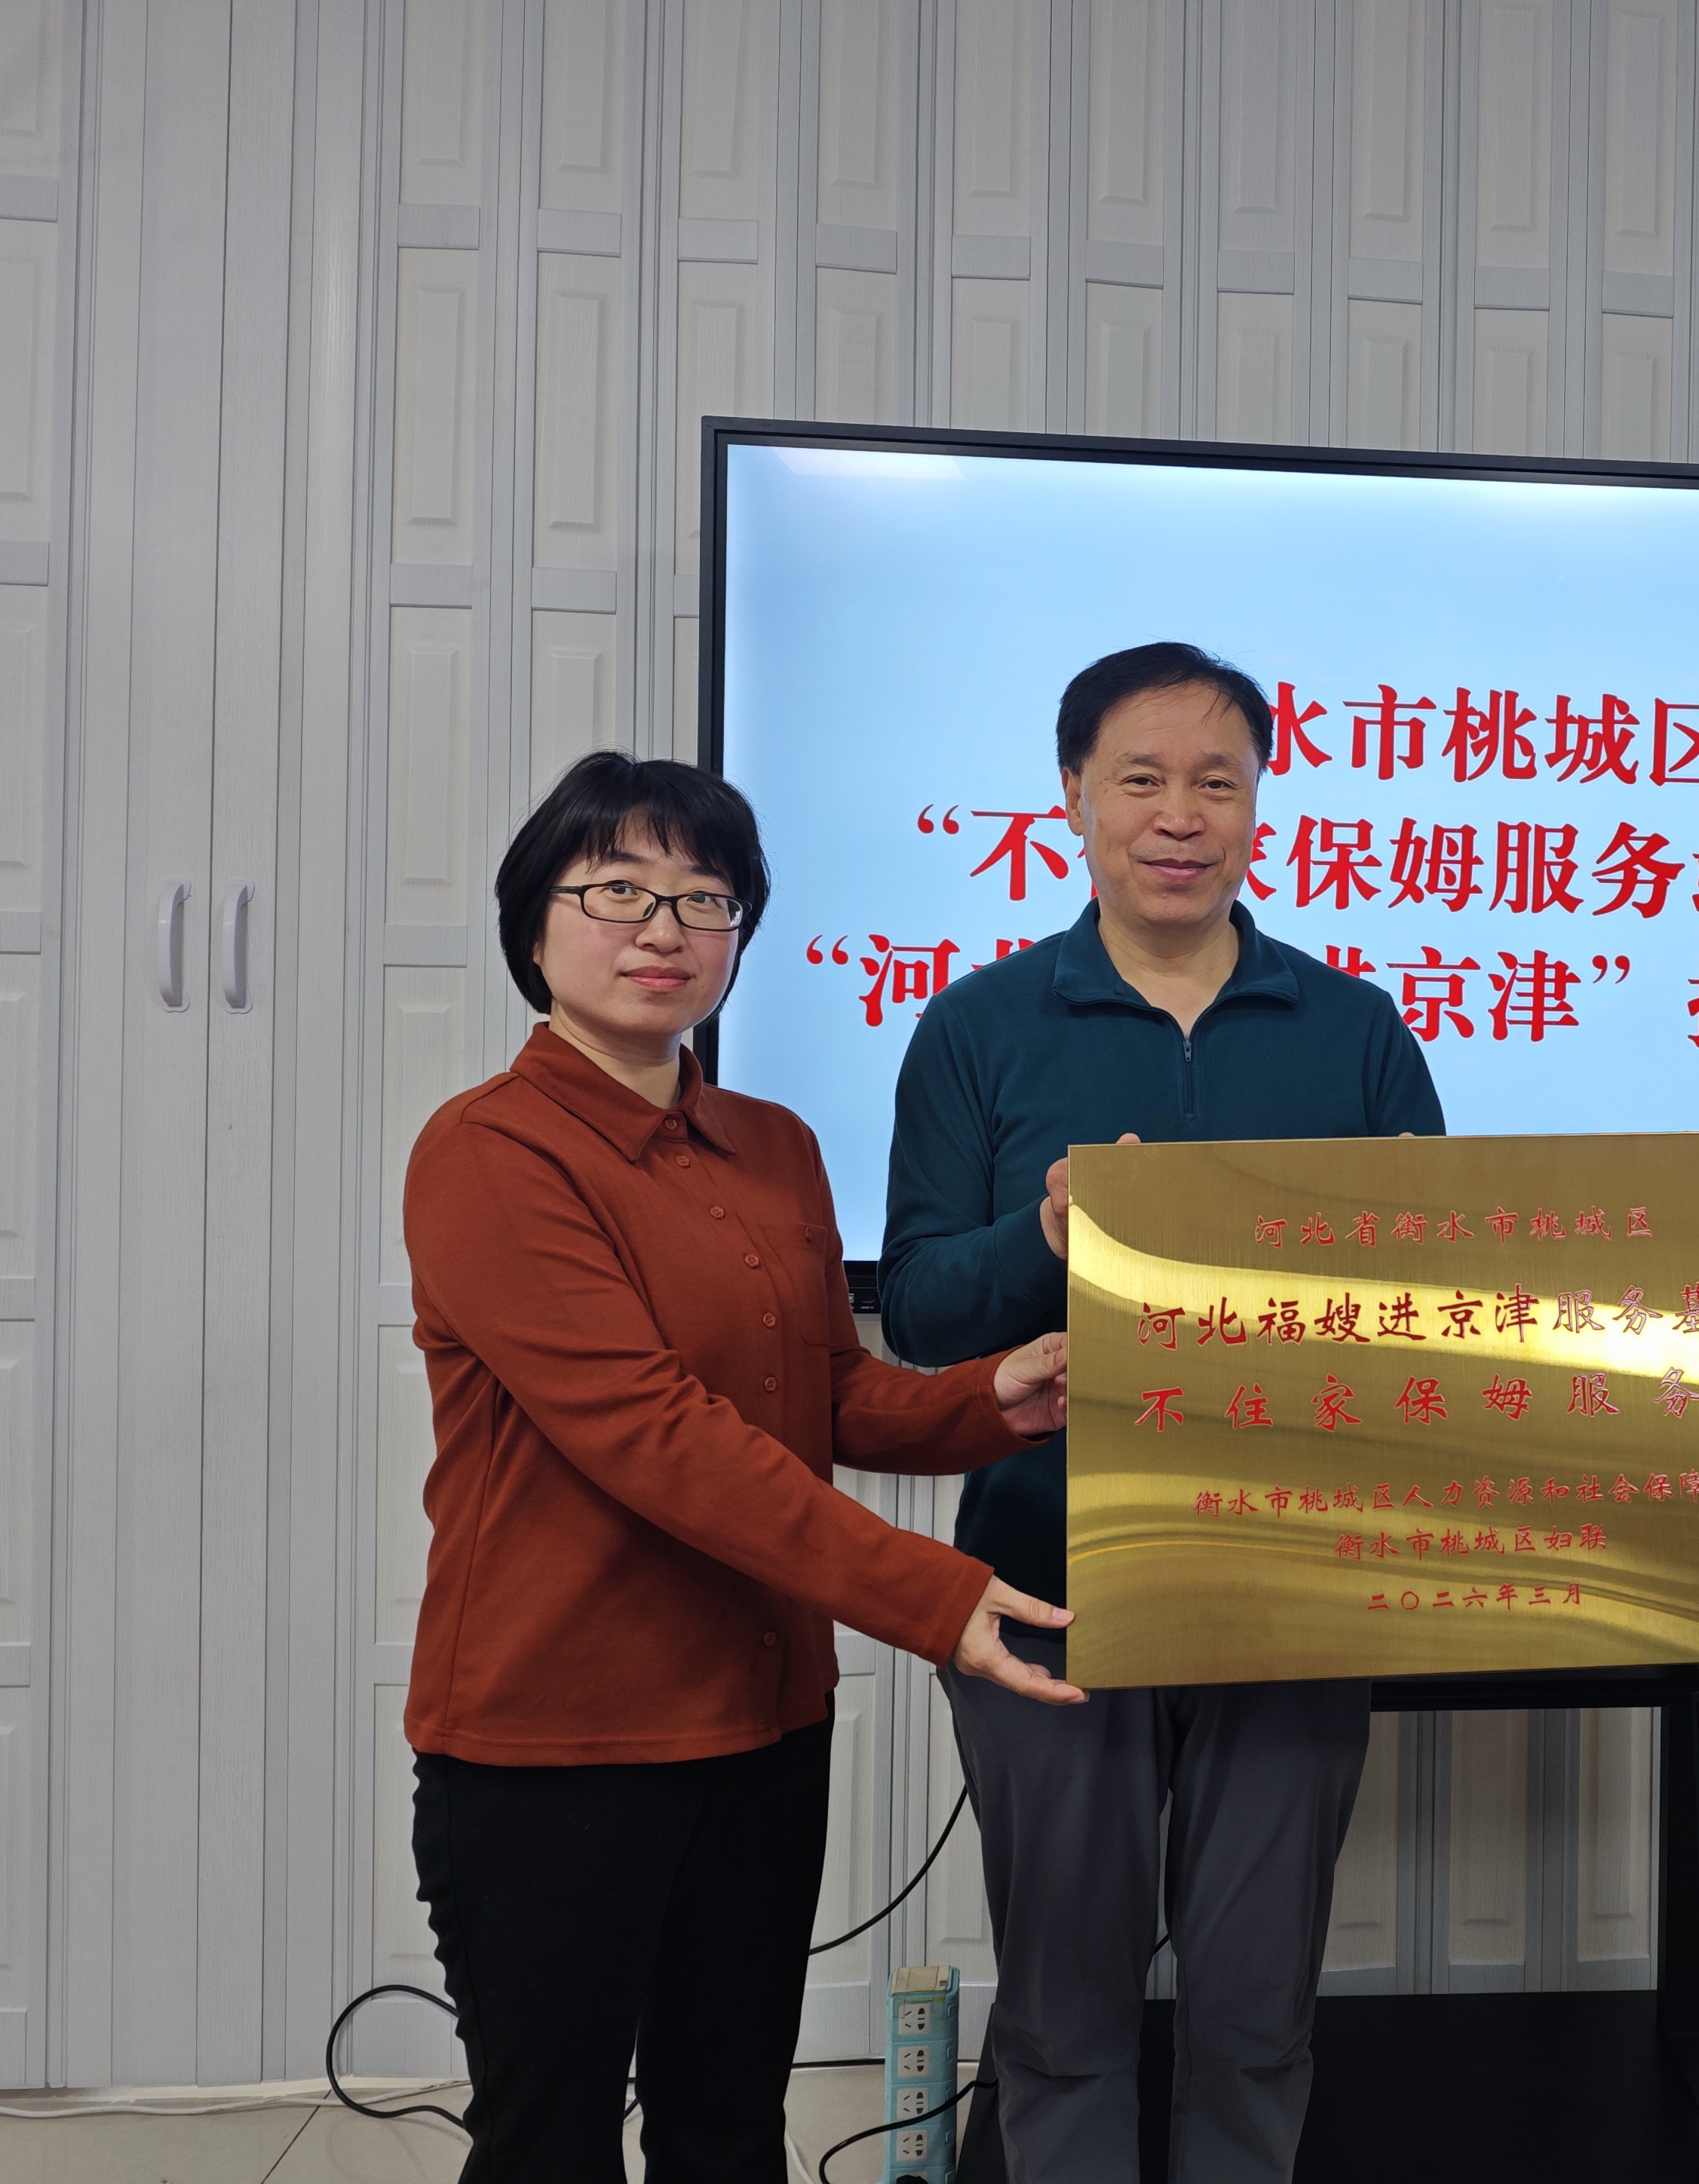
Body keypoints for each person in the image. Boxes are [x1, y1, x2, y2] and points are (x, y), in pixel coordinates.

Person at [403, 751, 1078, 2181]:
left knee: (728, 2127)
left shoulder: (772, 1144)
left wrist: (993, 1397)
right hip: (560, 1739)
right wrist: (934, 1593)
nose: (664, 929)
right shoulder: (488, 1150)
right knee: (546, 2143)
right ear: (535, 925)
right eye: (618, 890)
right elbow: (656, 1434)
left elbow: (823, 1396)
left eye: (705, 898)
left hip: (764, 1724)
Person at [882, 642, 1445, 2184]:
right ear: (1073, 796)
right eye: (1140, 779)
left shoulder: (1354, 1030)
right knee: (1064, 2006)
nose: (1179, 815)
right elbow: (918, 1309)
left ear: (1260, 805)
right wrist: (1045, 1239)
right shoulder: (978, 1027)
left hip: (1297, 1576)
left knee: (1258, 2002)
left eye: (1217, 782)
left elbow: (1439, 1304)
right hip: (1049, 1574)